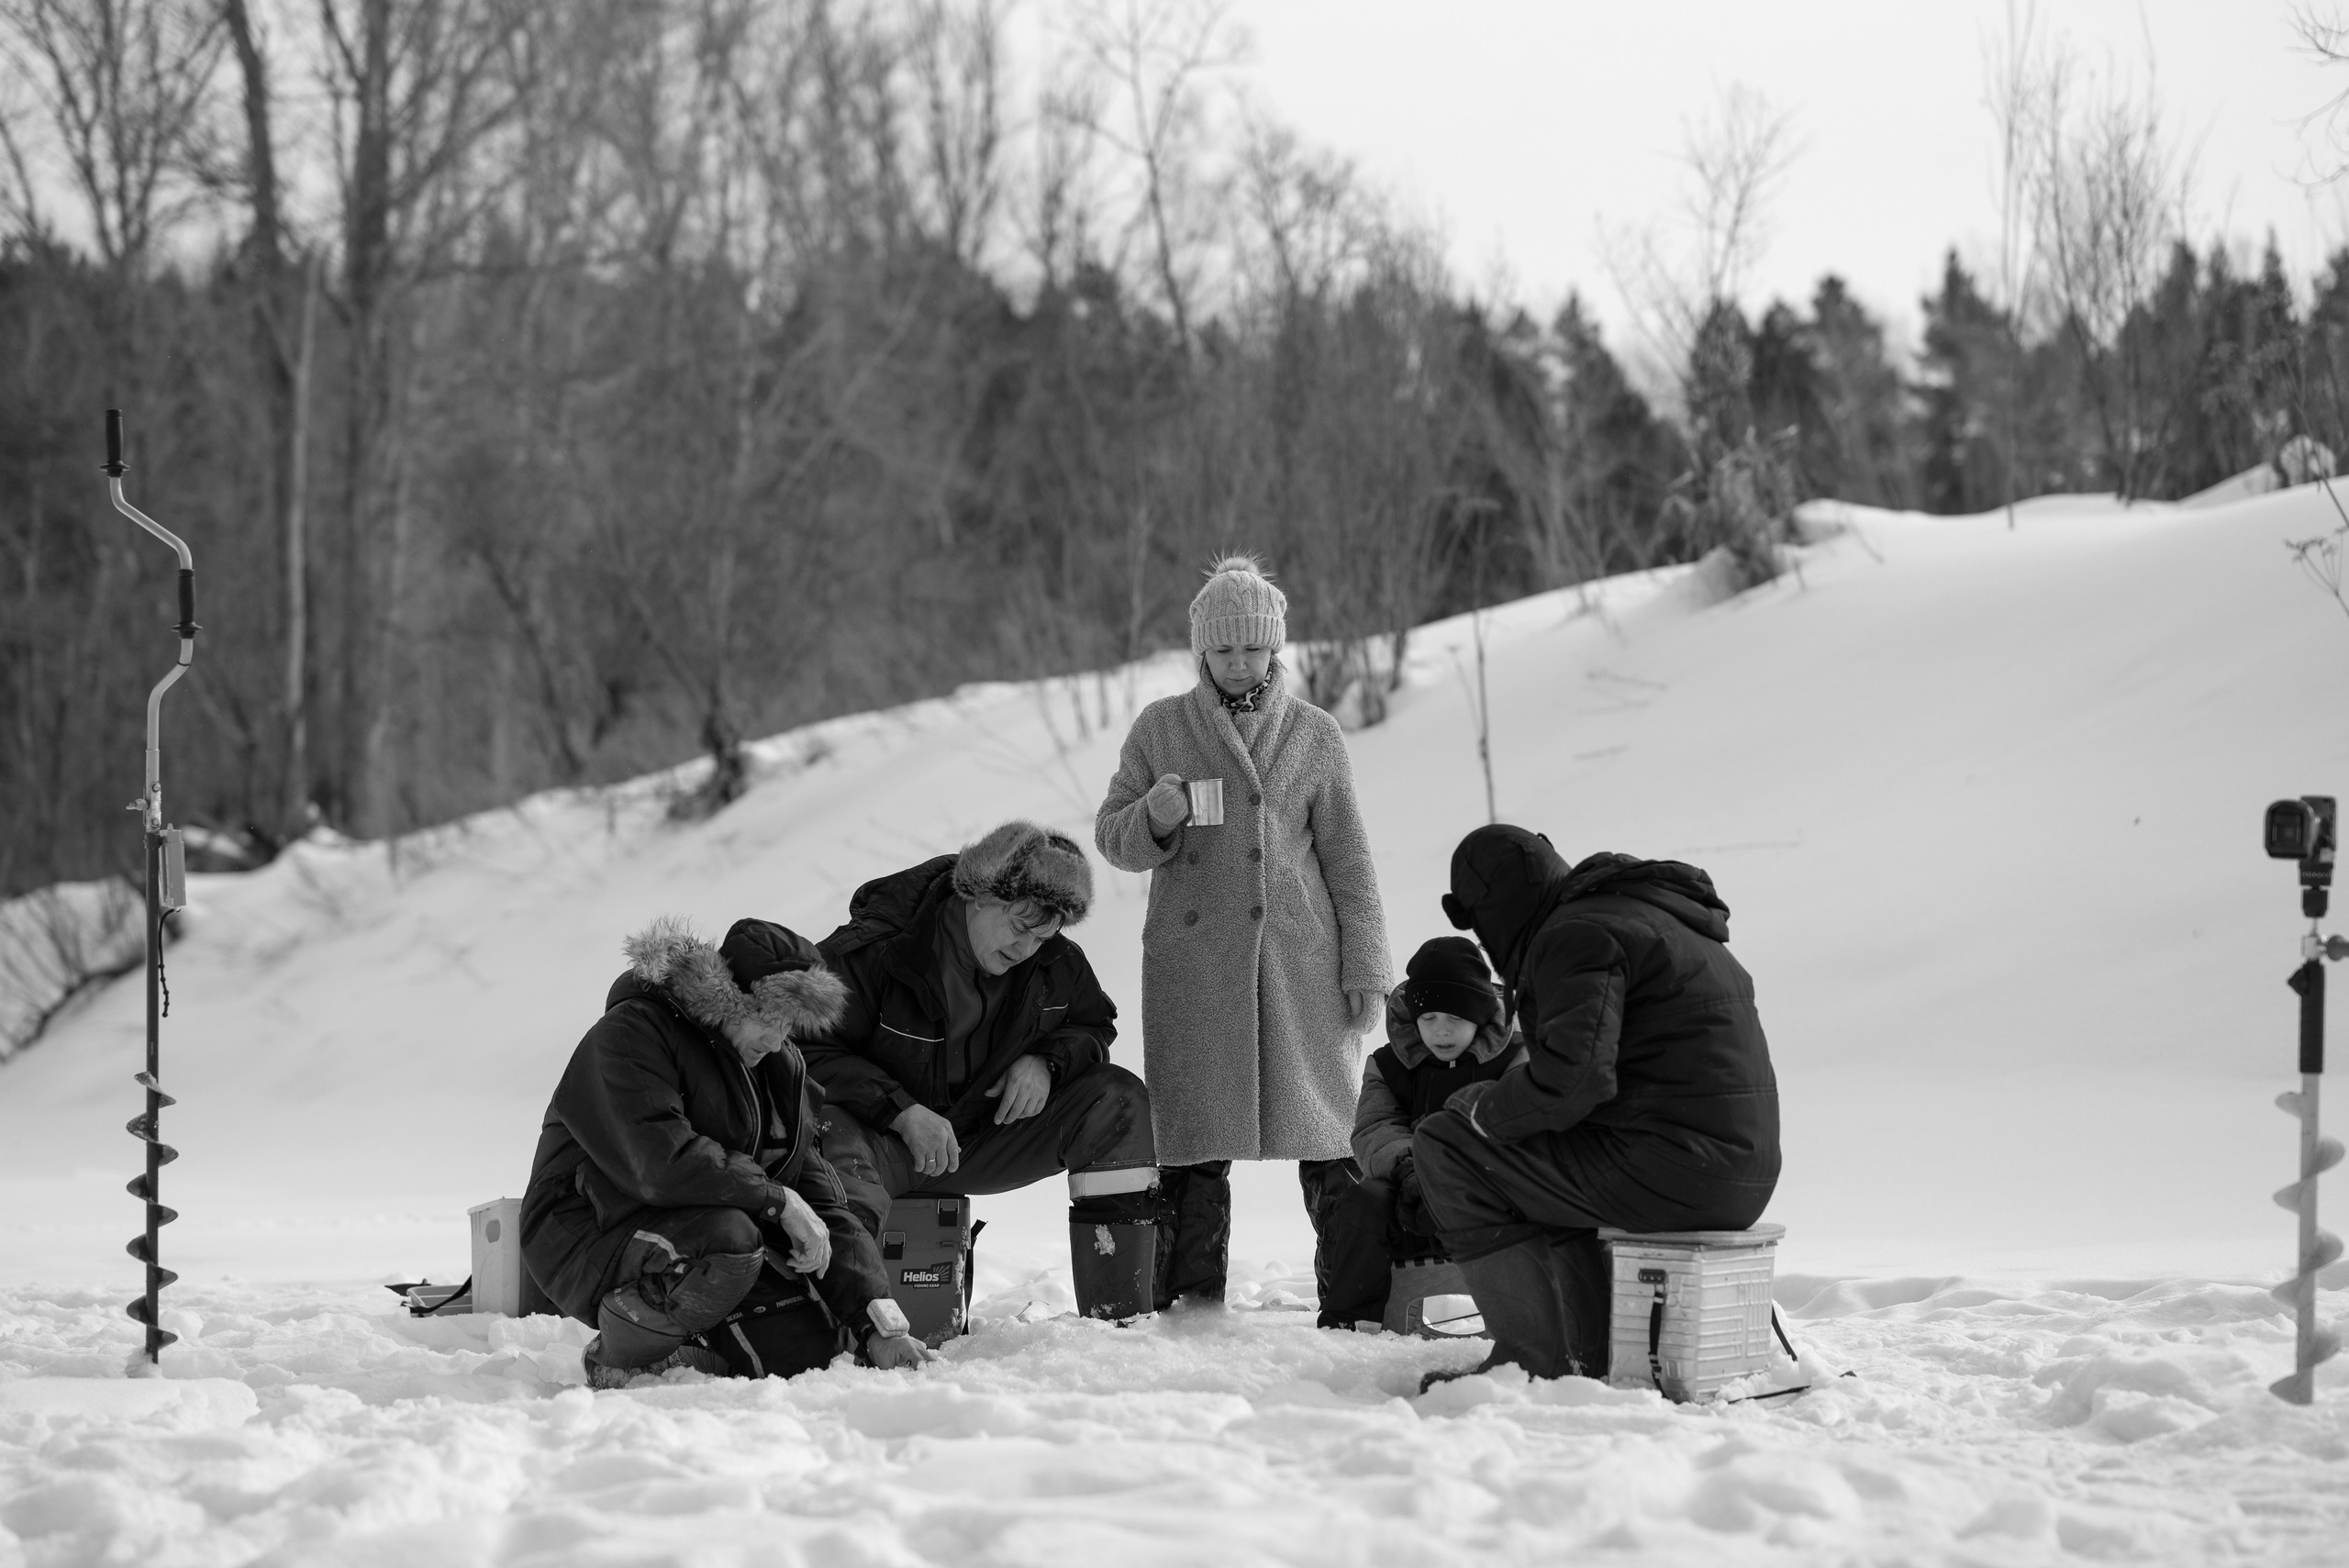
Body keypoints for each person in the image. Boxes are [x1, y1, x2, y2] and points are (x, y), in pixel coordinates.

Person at [1094, 554, 1391, 1307]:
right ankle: (1192, 1303)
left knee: (1329, 1131)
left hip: (1300, 956)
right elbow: (1111, 836)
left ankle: (1354, 1299)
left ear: (1274, 649)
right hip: (1197, 963)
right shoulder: (1161, 728)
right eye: (1222, 650)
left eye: (1250, 649)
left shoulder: (1316, 735)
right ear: (1200, 650)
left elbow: (1349, 858)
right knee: (1192, 1136)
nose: (1236, 663)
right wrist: (1152, 820)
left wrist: (1367, 965)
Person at [1412, 825, 1781, 1388]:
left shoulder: (1577, 935)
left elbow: (1573, 1079)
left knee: (1446, 1144)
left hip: (1672, 1167)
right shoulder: (1651, 917)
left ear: (1493, 911)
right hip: (1733, 1169)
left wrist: (1482, 1111)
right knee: (1534, 1162)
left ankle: (1528, 1360)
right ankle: (1590, 1350)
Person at [521, 917, 933, 1387]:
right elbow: (659, 1163)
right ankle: (626, 1352)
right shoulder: (631, 1033)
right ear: (730, 999)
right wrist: (777, 1201)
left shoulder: (779, 1067)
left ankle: (693, 1345)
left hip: (701, 1230)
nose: (778, 1041)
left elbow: (820, 1200)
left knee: (809, 1354)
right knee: (730, 1238)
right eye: (770, 1020)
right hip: (587, 1230)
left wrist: (879, 1324)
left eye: (789, 1027)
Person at [800, 820, 1162, 1318]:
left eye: (1044, 935)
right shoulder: (873, 951)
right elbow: (806, 1051)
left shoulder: (1056, 963)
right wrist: (900, 1110)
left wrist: (1047, 1063)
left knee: (1117, 1101)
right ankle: (852, 1328)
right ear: (978, 894)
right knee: (825, 1131)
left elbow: (1093, 1025)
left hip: (979, 1139)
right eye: (1019, 926)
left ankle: (1120, 1319)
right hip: (876, 1145)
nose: (1026, 948)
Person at [1317, 937, 1525, 1329]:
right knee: (1363, 1201)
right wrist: (1413, 1171)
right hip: (1408, 1190)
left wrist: (1446, 1172)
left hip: (1491, 1191)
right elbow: (1374, 1128)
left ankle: (1532, 1322)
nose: (1441, 1032)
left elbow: (1517, 1126)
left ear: (1480, 1017)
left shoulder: (1517, 1057)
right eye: (1429, 1019)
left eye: (1456, 1019)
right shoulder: (1387, 1063)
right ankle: (1349, 1323)